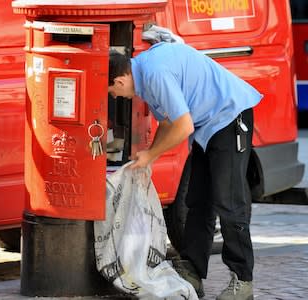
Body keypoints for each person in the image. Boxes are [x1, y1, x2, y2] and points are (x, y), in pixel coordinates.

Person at [108, 42, 262, 300]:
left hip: (230, 117)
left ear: (121, 80)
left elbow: (183, 125)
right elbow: (168, 122)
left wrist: (151, 155)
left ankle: (243, 281)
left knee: (229, 202)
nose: (116, 96)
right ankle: (192, 271)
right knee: (197, 200)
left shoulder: (154, 73)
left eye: (112, 91)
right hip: (208, 127)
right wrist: (148, 157)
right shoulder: (145, 74)